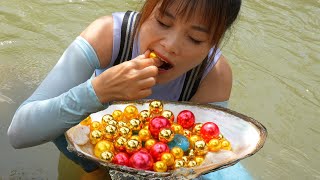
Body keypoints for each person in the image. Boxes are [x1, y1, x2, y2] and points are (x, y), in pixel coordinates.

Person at [8, 0, 252, 179]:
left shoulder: (213, 74)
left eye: (196, 39)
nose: (170, 45)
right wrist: (98, 92)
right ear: (147, 9)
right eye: (163, 22)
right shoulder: (109, 36)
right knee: (61, 114)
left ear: (213, 43)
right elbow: (19, 133)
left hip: (158, 158)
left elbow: (203, 157)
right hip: (93, 148)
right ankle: (93, 171)